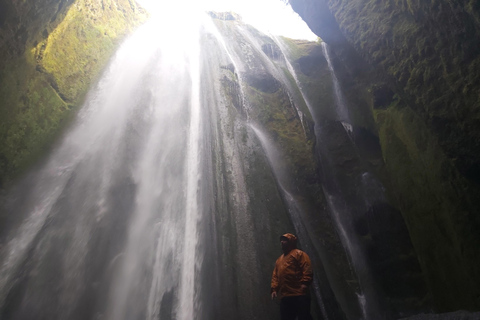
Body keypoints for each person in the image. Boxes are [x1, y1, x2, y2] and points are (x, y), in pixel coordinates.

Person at [271, 233, 314, 320]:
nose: (282, 242)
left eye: (285, 240)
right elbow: (275, 275)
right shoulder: (279, 260)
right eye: (281, 240)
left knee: (304, 317)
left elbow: (307, 267)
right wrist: (274, 289)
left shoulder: (299, 254)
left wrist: (305, 283)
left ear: (291, 241)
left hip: (299, 293)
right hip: (285, 295)